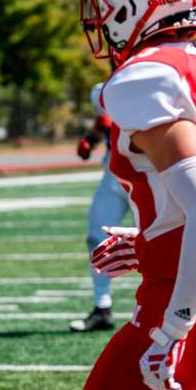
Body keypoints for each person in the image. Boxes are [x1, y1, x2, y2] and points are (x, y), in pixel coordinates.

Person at [65, 0, 196, 390]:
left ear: (136, 5)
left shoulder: (145, 78)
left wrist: (175, 329)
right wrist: (154, 244)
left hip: (190, 309)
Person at [69, 83, 130, 332]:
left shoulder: (158, 75)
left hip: (150, 177)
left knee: (164, 241)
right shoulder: (103, 89)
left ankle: (180, 306)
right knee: (97, 238)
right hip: (113, 177)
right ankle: (102, 307)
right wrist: (91, 139)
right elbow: (104, 119)